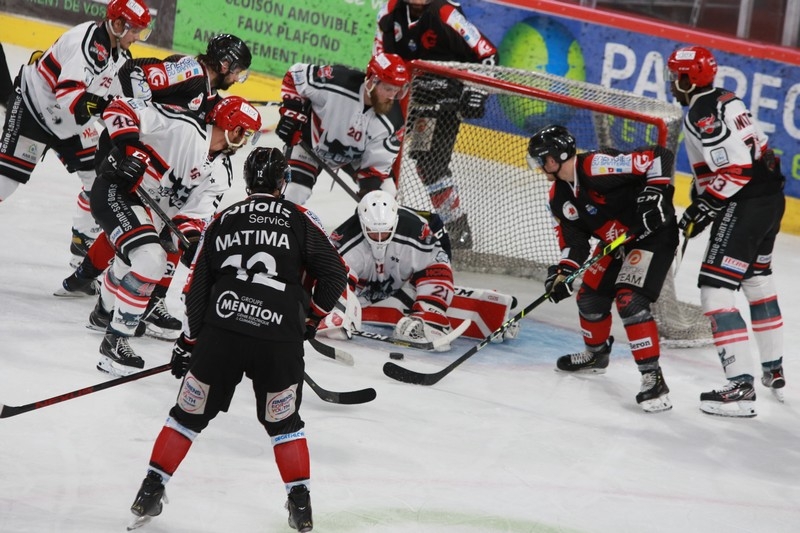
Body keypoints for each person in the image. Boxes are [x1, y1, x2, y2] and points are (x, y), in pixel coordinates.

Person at [128, 147, 348, 532]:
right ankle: (301, 506)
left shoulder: (221, 219)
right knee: (285, 424)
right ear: (283, 182)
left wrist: (188, 342)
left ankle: (149, 490)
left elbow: (197, 291)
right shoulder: (301, 219)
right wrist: (309, 320)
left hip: (223, 333)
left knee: (186, 416)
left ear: (247, 182)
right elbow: (335, 275)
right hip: (278, 338)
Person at [56, 34, 254, 339]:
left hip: (152, 155)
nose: (238, 78)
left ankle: (92, 280)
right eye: (238, 70)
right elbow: (133, 73)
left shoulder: (206, 91)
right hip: (127, 150)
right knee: (140, 229)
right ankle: (120, 293)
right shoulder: (192, 71)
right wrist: (134, 140)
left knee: (154, 228)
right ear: (225, 63)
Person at [90, 94, 261, 377]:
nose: (245, 141)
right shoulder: (182, 125)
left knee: (129, 261)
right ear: (234, 127)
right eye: (246, 133)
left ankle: (103, 312)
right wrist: (129, 148)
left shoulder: (221, 173)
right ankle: (115, 340)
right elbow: (119, 107)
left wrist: (193, 242)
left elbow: (192, 217)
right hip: (116, 189)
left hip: (149, 211)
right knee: (151, 258)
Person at [667, 46, 786, 417]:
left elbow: (736, 171)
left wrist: (706, 205)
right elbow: (762, 151)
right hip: (770, 199)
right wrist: (704, 196)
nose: (673, 82)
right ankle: (773, 368)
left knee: (716, 291)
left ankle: (740, 388)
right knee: (757, 279)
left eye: (676, 75)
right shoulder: (728, 99)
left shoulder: (702, 112)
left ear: (689, 78)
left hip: (745, 204)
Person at [527, 124, 679, 413]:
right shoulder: (558, 198)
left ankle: (653, 379)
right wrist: (563, 272)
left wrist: (655, 194)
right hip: (618, 241)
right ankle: (596, 356)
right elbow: (575, 242)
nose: (539, 166)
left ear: (556, 156)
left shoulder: (596, 166)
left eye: (542, 158)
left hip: (653, 236)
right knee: (589, 297)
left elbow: (659, 155)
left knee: (629, 300)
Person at [0, 0, 152, 257]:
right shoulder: (86, 42)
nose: (138, 37)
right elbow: (70, 97)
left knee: (99, 178)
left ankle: (82, 241)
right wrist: (107, 110)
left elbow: (114, 104)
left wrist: (129, 134)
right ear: (117, 24)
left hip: (71, 125)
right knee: (5, 182)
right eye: (134, 30)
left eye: (141, 31)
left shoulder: (121, 55)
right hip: (33, 111)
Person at [316, 190, 518, 350]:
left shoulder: (416, 231)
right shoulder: (345, 238)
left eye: (385, 232)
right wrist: (338, 310)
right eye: (373, 233)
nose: (379, 238)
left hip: (404, 283)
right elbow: (331, 277)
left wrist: (430, 310)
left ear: (394, 222)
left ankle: (436, 317)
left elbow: (437, 269)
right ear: (362, 223)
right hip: (364, 293)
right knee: (330, 300)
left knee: (423, 303)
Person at [374, 0, 498, 248]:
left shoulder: (445, 13)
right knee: (380, 153)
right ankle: (380, 217)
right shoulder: (389, 11)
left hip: (441, 102)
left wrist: (477, 90)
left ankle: (457, 228)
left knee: (429, 165)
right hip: (404, 96)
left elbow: (487, 54)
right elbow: (380, 56)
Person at [275, 52, 409, 204]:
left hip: (352, 157)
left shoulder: (393, 120)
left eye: (396, 90)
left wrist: (370, 189)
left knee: (386, 195)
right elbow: (295, 75)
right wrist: (293, 116)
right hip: (311, 143)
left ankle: (362, 227)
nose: (392, 96)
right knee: (295, 192)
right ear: (372, 81)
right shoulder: (336, 81)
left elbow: (376, 166)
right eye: (388, 88)